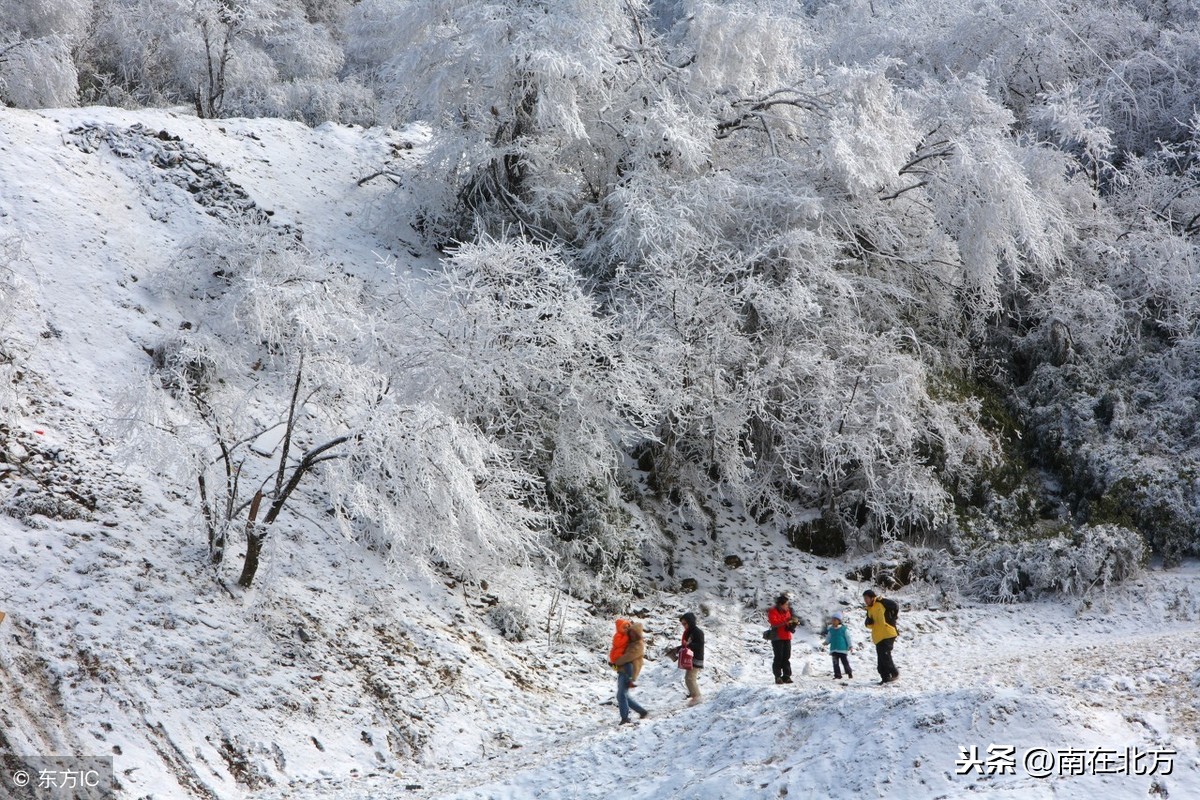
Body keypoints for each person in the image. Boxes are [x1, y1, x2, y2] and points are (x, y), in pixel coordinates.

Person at [609, 619, 648, 724]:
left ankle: (625, 718)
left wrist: (616, 662)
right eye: (631, 633)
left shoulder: (638, 645)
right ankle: (642, 711)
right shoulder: (629, 643)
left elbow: (628, 657)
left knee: (621, 694)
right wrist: (615, 664)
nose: (632, 635)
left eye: (634, 634)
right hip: (623, 671)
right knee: (622, 695)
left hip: (629, 672)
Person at [863, 589, 899, 684]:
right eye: (864, 598)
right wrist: (868, 623)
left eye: (866, 598)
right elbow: (870, 625)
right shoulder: (869, 610)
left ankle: (894, 672)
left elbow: (895, 606)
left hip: (888, 633)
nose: (865, 600)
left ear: (872, 597)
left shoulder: (881, 603)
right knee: (880, 658)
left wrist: (893, 619)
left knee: (885, 655)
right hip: (878, 636)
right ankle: (885, 678)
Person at [767, 594, 798, 684]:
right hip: (777, 637)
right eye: (786, 604)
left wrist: (792, 624)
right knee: (778, 657)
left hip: (787, 636)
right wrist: (786, 621)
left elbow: (787, 623)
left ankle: (786, 676)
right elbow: (774, 623)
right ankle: (777, 676)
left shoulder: (787, 612)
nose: (787, 606)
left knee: (786, 656)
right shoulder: (773, 611)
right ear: (780, 604)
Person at [678, 611, 705, 704]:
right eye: (682, 624)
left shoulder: (697, 632)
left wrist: (689, 644)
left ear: (690, 622)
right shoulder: (689, 632)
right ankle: (695, 696)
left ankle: (697, 697)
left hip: (696, 658)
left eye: (685, 623)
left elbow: (699, 645)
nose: (684, 626)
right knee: (688, 678)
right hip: (690, 658)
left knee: (690, 678)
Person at [821, 611, 853, 680]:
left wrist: (850, 645)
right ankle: (837, 675)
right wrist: (826, 642)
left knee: (845, 662)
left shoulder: (843, 629)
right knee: (835, 663)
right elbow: (829, 637)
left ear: (839, 621)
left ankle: (849, 672)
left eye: (835, 620)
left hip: (842, 649)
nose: (833, 621)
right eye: (832, 620)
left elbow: (848, 638)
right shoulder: (831, 629)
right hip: (834, 649)